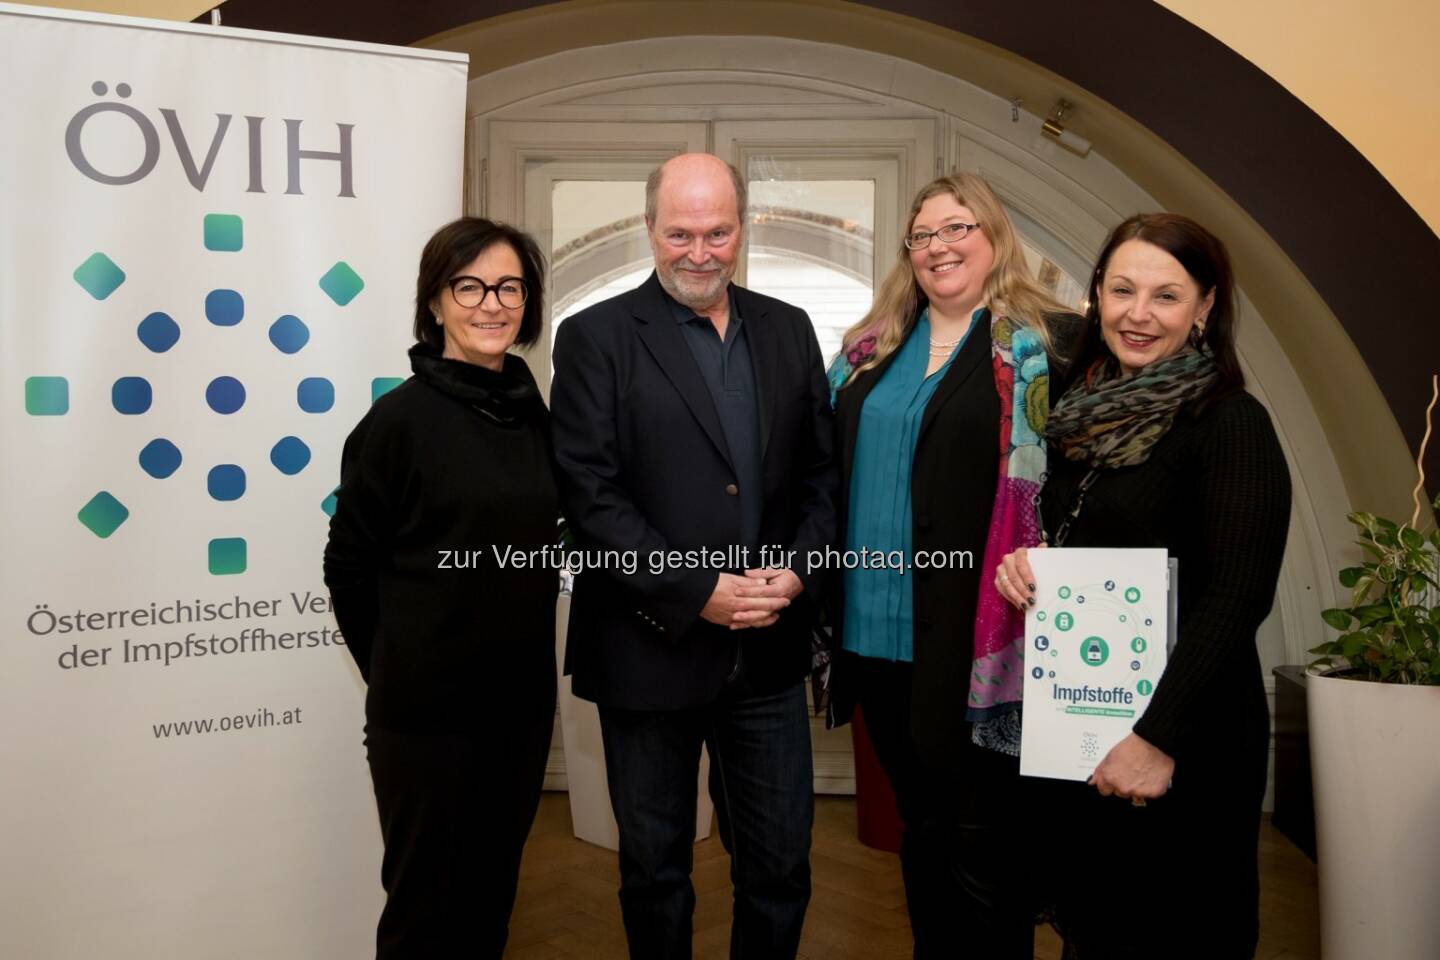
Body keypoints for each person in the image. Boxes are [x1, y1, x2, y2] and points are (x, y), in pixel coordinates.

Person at [549, 153, 837, 960]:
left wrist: (799, 569)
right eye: (680, 233)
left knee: (780, 867)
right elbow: (591, 498)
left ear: (743, 230)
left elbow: (822, 477)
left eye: (717, 232)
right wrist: (695, 590)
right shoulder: (595, 338)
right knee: (654, 872)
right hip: (648, 649)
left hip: (769, 652)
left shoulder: (788, 328)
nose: (699, 252)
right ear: (649, 230)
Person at [994, 213, 1291, 958]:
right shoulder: (1075, 418)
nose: (1138, 313)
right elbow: (1072, 537)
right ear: (1097, 293)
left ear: (1205, 308)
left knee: (1176, 932)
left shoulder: (1230, 423)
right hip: (1089, 727)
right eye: (1122, 290)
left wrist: (1157, 739)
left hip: (1184, 737)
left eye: (1166, 295)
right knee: (1096, 931)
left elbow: (1237, 598)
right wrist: (1024, 566)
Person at [824, 172, 1081, 957]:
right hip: (872, 638)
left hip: (976, 638)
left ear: (994, 234)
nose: (939, 247)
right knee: (922, 829)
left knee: (983, 844)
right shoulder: (867, 351)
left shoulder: (1050, 346)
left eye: (957, 228)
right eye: (923, 236)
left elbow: (1078, 488)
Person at [322, 217, 557, 959]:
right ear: (435, 302)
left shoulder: (534, 416)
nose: (492, 304)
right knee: (426, 916)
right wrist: (400, 664)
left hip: (517, 709)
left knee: (489, 905)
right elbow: (348, 568)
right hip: (427, 719)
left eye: (510, 287)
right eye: (470, 286)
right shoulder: (397, 423)